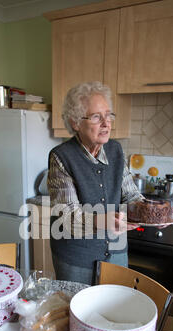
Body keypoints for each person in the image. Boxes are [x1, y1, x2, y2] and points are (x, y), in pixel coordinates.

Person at [47, 81, 142, 285]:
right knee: (77, 313)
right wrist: (103, 221)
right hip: (76, 258)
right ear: (75, 123)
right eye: (97, 117)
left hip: (116, 252)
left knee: (114, 311)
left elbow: (131, 194)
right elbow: (66, 216)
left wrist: (153, 211)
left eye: (108, 115)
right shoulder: (61, 157)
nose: (106, 124)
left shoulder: (116, 150)